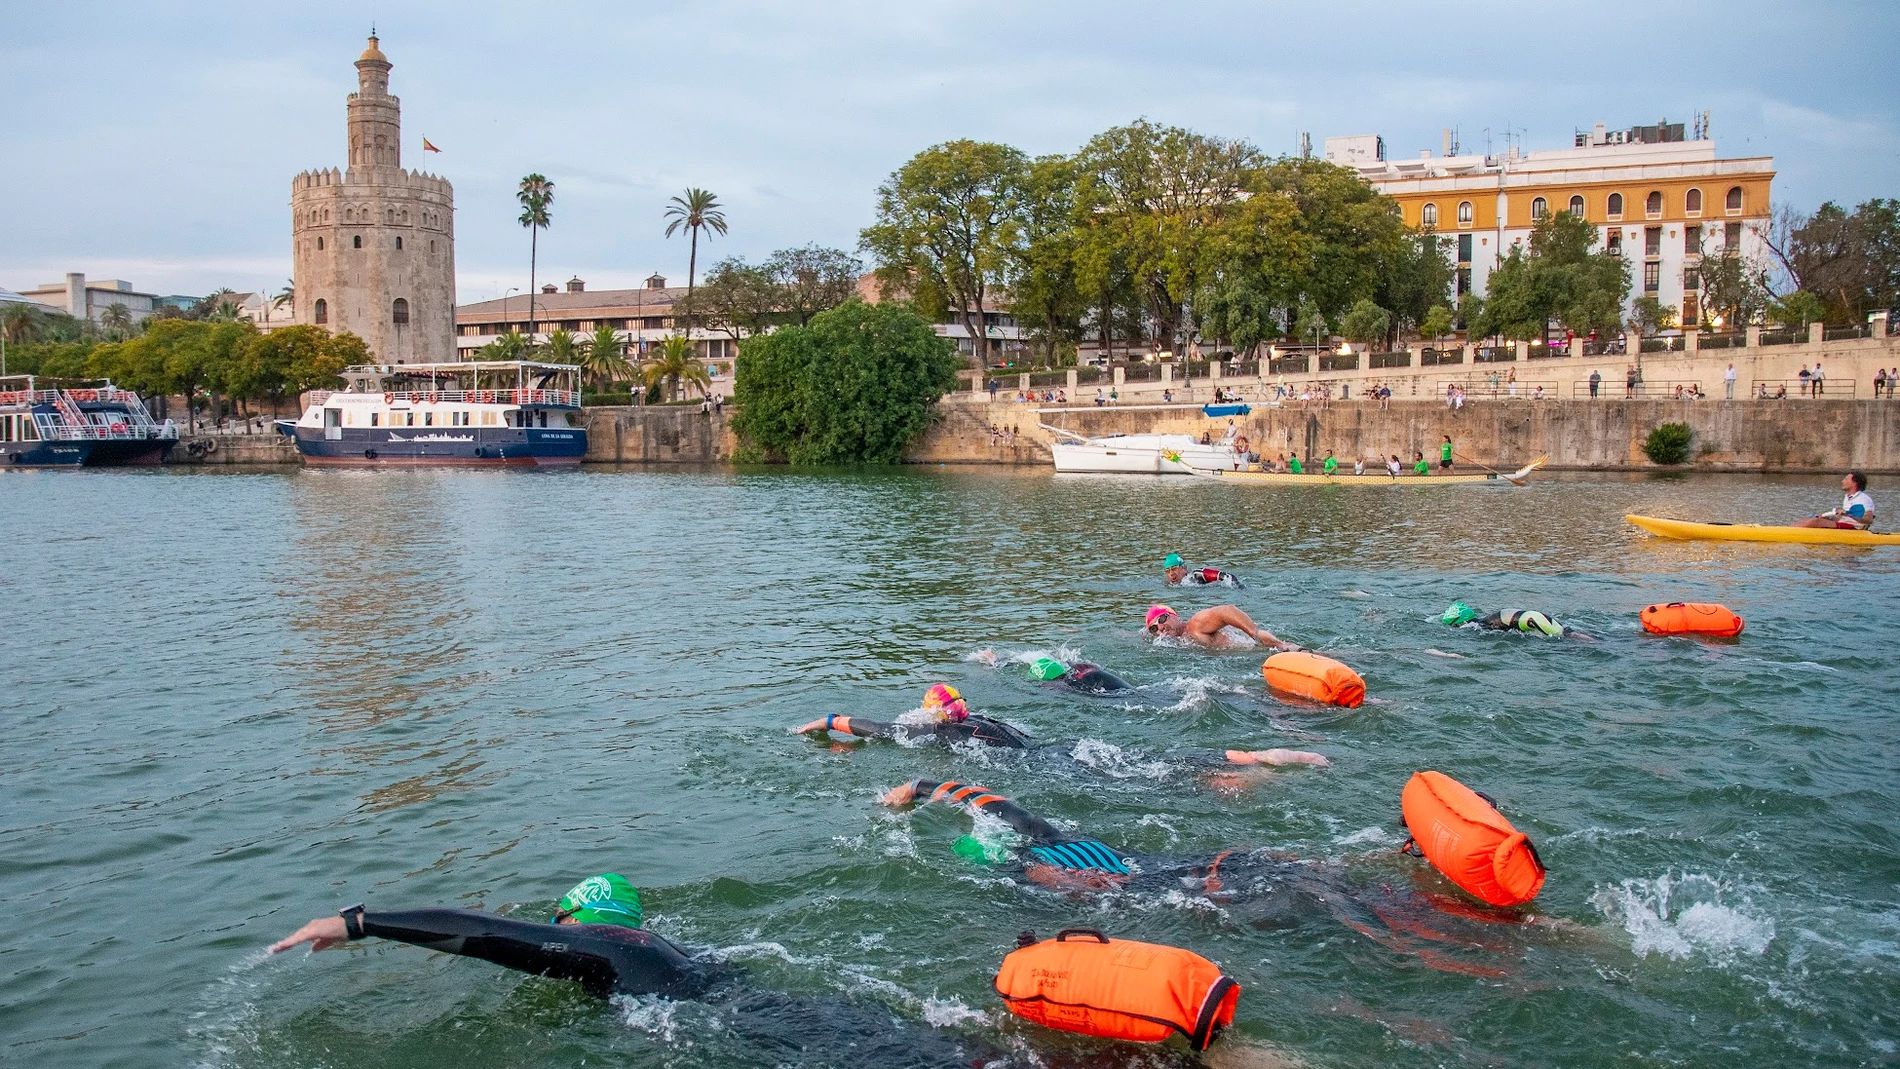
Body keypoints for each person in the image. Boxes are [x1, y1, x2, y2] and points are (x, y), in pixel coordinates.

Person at [269, 874, 991, 1067]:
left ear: (574, 921)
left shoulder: (609, 948)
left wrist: (360, 922)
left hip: (817, 1042)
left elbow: (485, 932)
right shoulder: (662, 950)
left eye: (555, 926)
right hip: (816, 1023)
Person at [876, 779, 1552, 975]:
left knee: (1349, 906)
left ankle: (1494, 934)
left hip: (1216, 885)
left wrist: (921, 787)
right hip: (1223, 866)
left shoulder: (1041, 866)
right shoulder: (1061, 849)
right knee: (1333, 882)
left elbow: (991, 803)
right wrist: (925, 788)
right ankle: (1488, 912)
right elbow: (990, 799)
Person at [795, 676, 1327, 771]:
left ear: (934, 712)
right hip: (1059, 746)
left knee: (1154, 773)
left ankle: (1240, 765)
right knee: (1151, 763)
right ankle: (1248, 756)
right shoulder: (978, 718)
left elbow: (876, 729)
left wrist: (826, 720)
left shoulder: (934, 733)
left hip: (1049, 767)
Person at [1145, 603, 1298, 651]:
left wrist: (1254, 633)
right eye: (1153, 628)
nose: (1160, 627)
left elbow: (1227, 610)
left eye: (1162, 619)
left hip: (1262, 650)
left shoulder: (1194, 626)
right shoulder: (1180, 642)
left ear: (1174, 616)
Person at [1440, 601, 1587, 639]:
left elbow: (1531, 618)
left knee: (1571, 638)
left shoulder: (1481, 625)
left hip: (1535, 621)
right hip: (1537, 620)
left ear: (1459, 623)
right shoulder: (1488, 620)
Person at [1793, 471, 1876, 530]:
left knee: (1816, 522)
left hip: (1855, 527)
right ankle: (1788, 530)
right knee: (1812, 518)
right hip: (1846, 522)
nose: (1842, 481)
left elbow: (1869, 520)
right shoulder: (1848, 497)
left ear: (1854, 484)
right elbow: (1845, 517)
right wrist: (1828, 516)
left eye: (1846, 479)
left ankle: (1791, 533)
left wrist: (1847, 513)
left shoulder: (1864, 499)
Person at [1163, 552, 1245, 587]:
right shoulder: (1170, 585)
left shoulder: (1198, 575)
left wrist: (1240, 588)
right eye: (1167, 571)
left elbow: (1228, 577)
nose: (1171, 573)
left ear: (1184, 568)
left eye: (1174, 569)